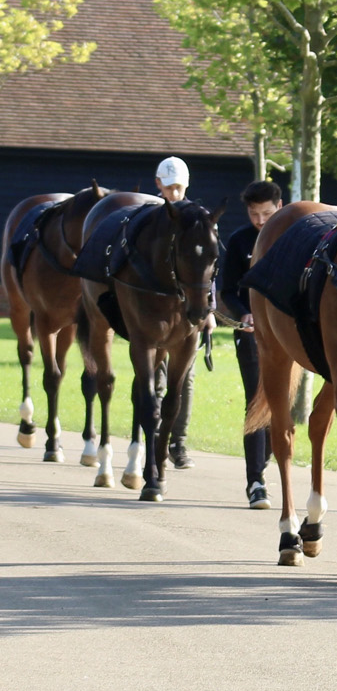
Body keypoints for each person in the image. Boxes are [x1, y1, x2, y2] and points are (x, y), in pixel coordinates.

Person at [217, 180, 282, 509]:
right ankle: (255, 481)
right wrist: (243, 313)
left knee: (279, 404)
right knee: (256, 402)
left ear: (279, 207)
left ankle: (268, 464)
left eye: (267, 213)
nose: (260, 221)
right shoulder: (239, 240)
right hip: (250, 334)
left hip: (288, 337)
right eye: (255, 214)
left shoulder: (291, 237)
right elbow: (227, 289)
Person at [153, 156, 197, 469]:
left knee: (185, 379)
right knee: (155, 376)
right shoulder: (149, 216)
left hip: (186, 312)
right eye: (169, 187)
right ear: (159, 185)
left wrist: (206, 309)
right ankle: (155, 436)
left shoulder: (198, 217)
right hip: (154, 312)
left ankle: (178, 443)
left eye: (179, 187)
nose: (174, 193)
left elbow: (208, 266)